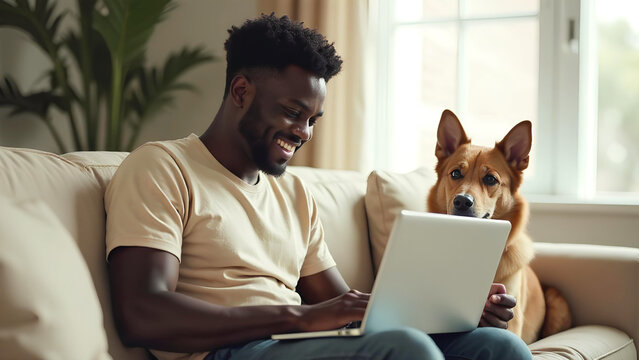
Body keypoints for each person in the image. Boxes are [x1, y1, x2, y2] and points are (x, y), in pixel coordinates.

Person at [105, 14, 532, 360]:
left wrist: (454, 310)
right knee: (408, 351)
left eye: (313, 120)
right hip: (225, 352)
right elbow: (143, 312)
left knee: (498, 347)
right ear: (240, 91)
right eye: (294, 112)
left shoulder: (292, 195)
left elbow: (347, 307)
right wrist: (297, 318)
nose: (305, 133)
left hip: (291, 343)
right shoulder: (163, 167)